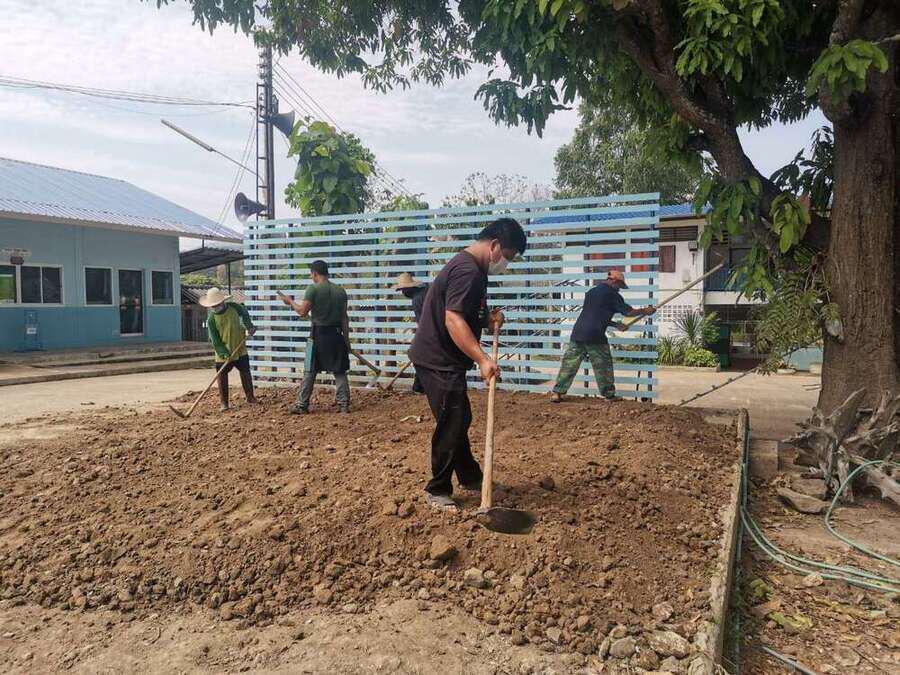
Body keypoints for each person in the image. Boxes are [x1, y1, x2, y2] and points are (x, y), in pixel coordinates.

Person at [409, 217, 528, 510]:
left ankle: (470, 476)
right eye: (508, 256)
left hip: (441, 358)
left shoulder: (473, 269)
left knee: (458, 417)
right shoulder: (468, 271)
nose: (506, 264)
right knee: (454, 419)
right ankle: (437, 489)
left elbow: (466, 312)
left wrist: (489, 319)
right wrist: (483, 359)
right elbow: (453, 319)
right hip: (438, 359)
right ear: (495, 245)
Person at [549, 269, 654, 403]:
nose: (619, 289)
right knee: (603, 366)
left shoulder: (591, 292)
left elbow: (596, 315)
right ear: (614, 281)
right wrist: (646, 310)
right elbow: (629, 312)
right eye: (620, 286)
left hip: (578, 333)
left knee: (569, 365)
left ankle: (557, 393)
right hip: (595, 335)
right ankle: (609, 395)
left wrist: (616, 325)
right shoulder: (612, 294)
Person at [279, 260, 351, 414]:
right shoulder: (340, 291)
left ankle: (301, 405)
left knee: (310, 370)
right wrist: (347, 341)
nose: (311, 277)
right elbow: (344, 318)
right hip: (336, 335)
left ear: (315, 273)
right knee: (339, 370)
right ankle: (344, 404)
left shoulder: (313, 289)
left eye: (311, 274)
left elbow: (302, 312)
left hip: (318, 335)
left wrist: (290, 301)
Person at [200, 287, 258, 411]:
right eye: (213, 305)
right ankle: (224, 403)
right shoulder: (211, 319)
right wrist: (224, 353)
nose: (215, 307)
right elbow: (215, 340)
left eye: (217, 304)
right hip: (223, 352)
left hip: (239, 348)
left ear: (222, 301)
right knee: (222, 376)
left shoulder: (236, 308)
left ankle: (250, 397)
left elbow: (245, 316)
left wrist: (250, 327)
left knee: (245, 371)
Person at [393, 272, 429, 393]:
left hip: (430, 332)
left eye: (403, 290)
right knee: (421, 357)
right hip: (435, 330)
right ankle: (419, 386)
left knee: (416, 355)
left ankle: (419, 387)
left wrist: (420, 338)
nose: (403, 293)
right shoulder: (425, 292)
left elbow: (423, 322)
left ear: (409, 288)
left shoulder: (417, 299)